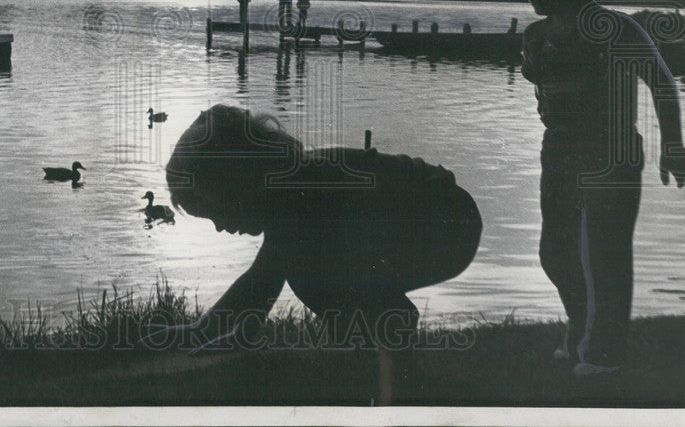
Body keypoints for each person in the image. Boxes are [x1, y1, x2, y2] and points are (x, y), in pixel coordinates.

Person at [154, 104, 482, 403]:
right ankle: (368, 342)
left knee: (309, 271)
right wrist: (223, 329)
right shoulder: (290, 186)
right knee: (308, 265)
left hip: (447, 221)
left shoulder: (299, 191)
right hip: (435, 220)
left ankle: (386, 340)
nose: (219, 228)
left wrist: (217, 329)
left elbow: (263, 277)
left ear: (236, 186)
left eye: (216, 213)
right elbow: (266, 275)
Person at [515, 0, 685, 377]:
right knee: (554, 251)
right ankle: (581, 325)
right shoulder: (535, 36)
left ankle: (606, 350)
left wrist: (672, 144)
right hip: (557, 149)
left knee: (605, 254)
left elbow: (662, 83)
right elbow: (544, 89)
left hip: (611, 152)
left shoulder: (616, 29)